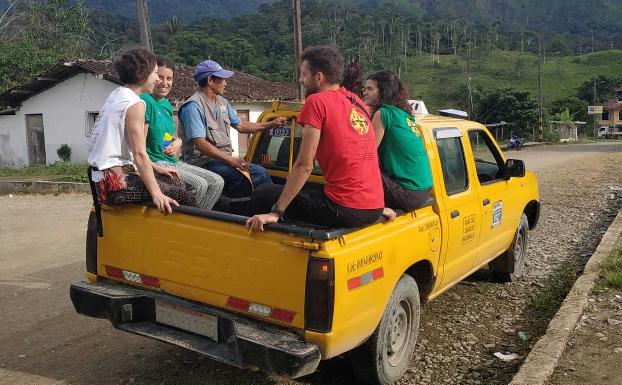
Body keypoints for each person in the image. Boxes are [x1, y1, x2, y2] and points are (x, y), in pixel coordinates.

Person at [246, 46, 385, 231]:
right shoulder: (356, 101)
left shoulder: (317, 102)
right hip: (375, 206)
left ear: (319, 78)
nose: (300, 80)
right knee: (310, 192)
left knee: (263, 193)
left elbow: (305, 165)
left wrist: (276, 212)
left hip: (345, 209)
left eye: (304, 75)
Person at [88, 48, 195, 214]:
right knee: (183, 195)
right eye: (154, 74)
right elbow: (139, 153)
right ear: (143, 74)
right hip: (114, 183)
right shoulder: (135, 104)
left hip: (102, 177)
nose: (156, 80)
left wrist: (156, 168)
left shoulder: (117, 94)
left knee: (174, 181)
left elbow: (128, 153)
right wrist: (156, 194)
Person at [178, 59, 287, 198]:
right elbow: (200, 144)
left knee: (260, 172)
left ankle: (271, 211)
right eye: (222, 79)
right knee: (241, 177)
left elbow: (241, 126)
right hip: (202, 162)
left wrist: (271, 124)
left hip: (222, 160)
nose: (225, 83)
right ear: (210, 80)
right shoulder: (193, 106)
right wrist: (232, 160)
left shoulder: (222, 102)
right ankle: (239, 216)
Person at [141, 56, 224, 210]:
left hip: (172, 160)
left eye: (169, 78)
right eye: (160, 77)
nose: (165, 83)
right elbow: (138, 145)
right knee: (200, 185)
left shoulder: (166, 104)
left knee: (217, 181)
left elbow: (164, 134)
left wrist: (177, 141)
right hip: (156, 162)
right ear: (151, 76)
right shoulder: (145, 101)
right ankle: (186, 223)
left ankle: (200, 221)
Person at [362, 70, 433, 217]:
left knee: (354, 172)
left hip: (408, 193)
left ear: (383, 92)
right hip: (422, 191)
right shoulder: (403, 115)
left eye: (370, 89)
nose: (364, 92)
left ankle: (370, 208)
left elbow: (367, 155)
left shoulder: (383, 114)